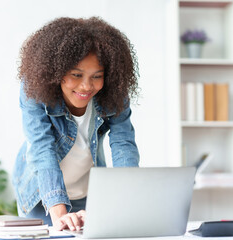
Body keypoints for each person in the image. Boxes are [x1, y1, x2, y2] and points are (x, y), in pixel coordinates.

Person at [13, 16, 140, 231]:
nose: (86, 86)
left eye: (97, 76)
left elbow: (124, 144)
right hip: (41, 196)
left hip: (89, 192)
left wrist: (122, 202)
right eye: (76, 74)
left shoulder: (114, 92)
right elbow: (41, 149)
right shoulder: (34, 90)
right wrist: (60, 213)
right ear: (56, 72)